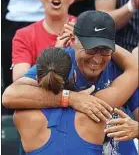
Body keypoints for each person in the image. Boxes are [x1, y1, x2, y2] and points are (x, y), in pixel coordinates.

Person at [2, 11, 138, 154]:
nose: (97, 59)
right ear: (73, 41)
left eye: (105, 50)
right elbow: (10, 95)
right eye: (90, 50)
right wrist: (71, 98)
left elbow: (12, 96)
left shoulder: (22, 117)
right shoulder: (99, 101)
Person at [12, 0, 76, 82]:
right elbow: (19, 80)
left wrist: (81, 44)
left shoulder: (87, 28)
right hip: (39, 94)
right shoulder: (24, 35)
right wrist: (55, 53)